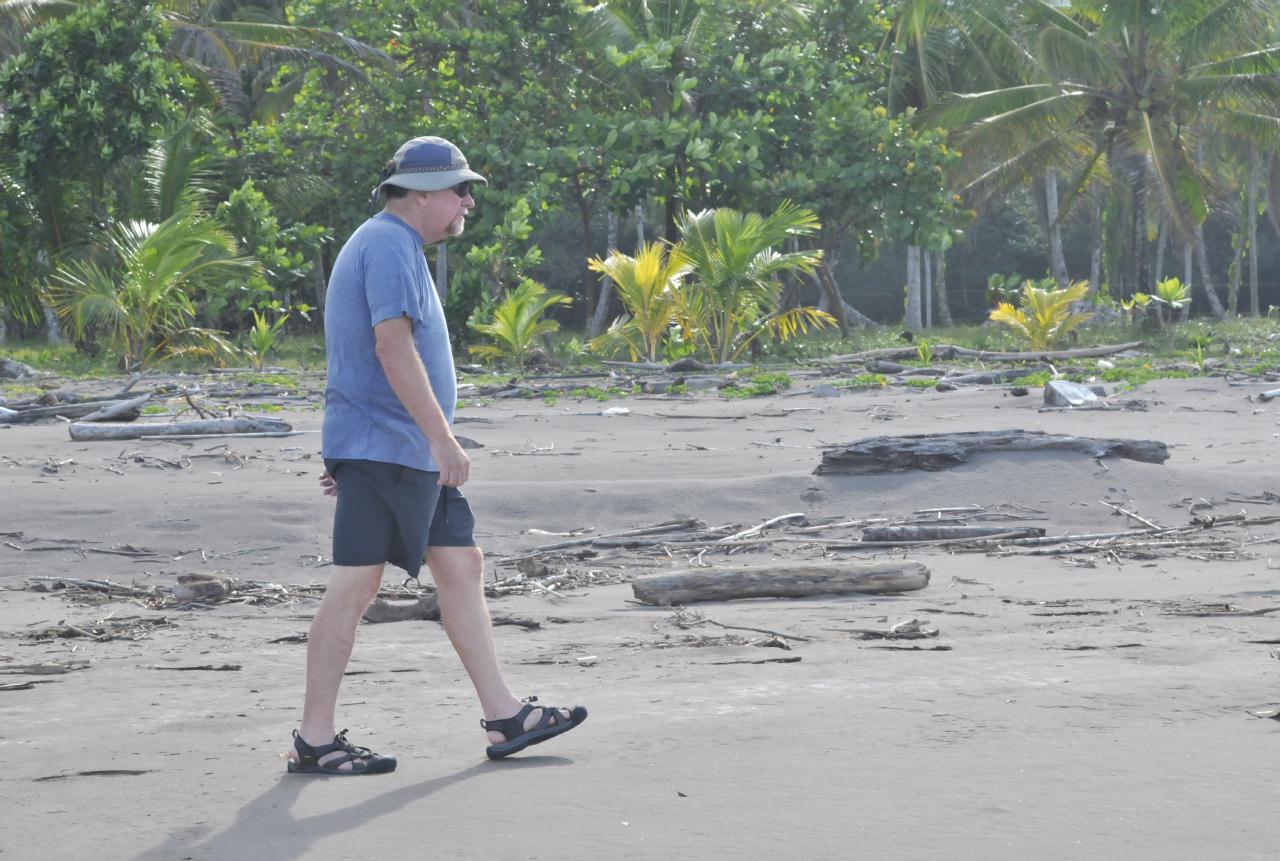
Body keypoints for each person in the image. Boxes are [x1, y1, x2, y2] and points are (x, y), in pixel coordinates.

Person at [287, 136, 587, 776]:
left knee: (461, 565)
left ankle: (505, 713)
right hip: (397, 449)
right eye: (459, 189)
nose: (467, 201)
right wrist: (437, 439)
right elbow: (391, 350)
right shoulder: (390, 245)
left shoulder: (391, 244)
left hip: (396, 449)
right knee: (356, 584)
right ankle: (314, 740)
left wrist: (369, 446)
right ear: (422, 195)